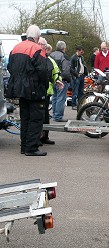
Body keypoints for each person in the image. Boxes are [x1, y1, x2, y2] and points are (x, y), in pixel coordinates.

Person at [7, 24, 48, 156]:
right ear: (37, 37)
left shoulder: (16, 47)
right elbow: (43, 70)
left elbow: (10, 67)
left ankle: (24, 146)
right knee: (35, 118)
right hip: (34, 89)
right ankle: (31, 148)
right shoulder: (37, 49)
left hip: (19, 88)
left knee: (25, 118)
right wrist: (44, 86)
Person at [40, 43, 64, 144]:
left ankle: (45, 137)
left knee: (45, 116)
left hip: (46, 91)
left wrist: (58, 79)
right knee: (39, 116)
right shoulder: (39, 58)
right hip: (39, 91)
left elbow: (56, 71)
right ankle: (38, 138)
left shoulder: (49, 59)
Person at [50, 40, 71, 122]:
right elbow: (66, 70)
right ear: (64, 48)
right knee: (61, 98)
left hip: (53, 79)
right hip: (61, 80)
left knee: (54, 97)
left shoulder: (51, 55)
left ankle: (54, 114)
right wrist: (68, 80)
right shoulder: (64, 56)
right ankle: (58, 116)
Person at [70, 45, 88, 110]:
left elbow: (83, 65)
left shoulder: (82, 57)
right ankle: (73, 104)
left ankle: (80, 103)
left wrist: (86, 72)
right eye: (81, 51)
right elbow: (71, 68)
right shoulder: (73, 58)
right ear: (78, 51)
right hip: (77, 77)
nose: (82, 53)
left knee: (81, 91)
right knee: (75, 91)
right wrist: (76, 74)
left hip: (82, 76)